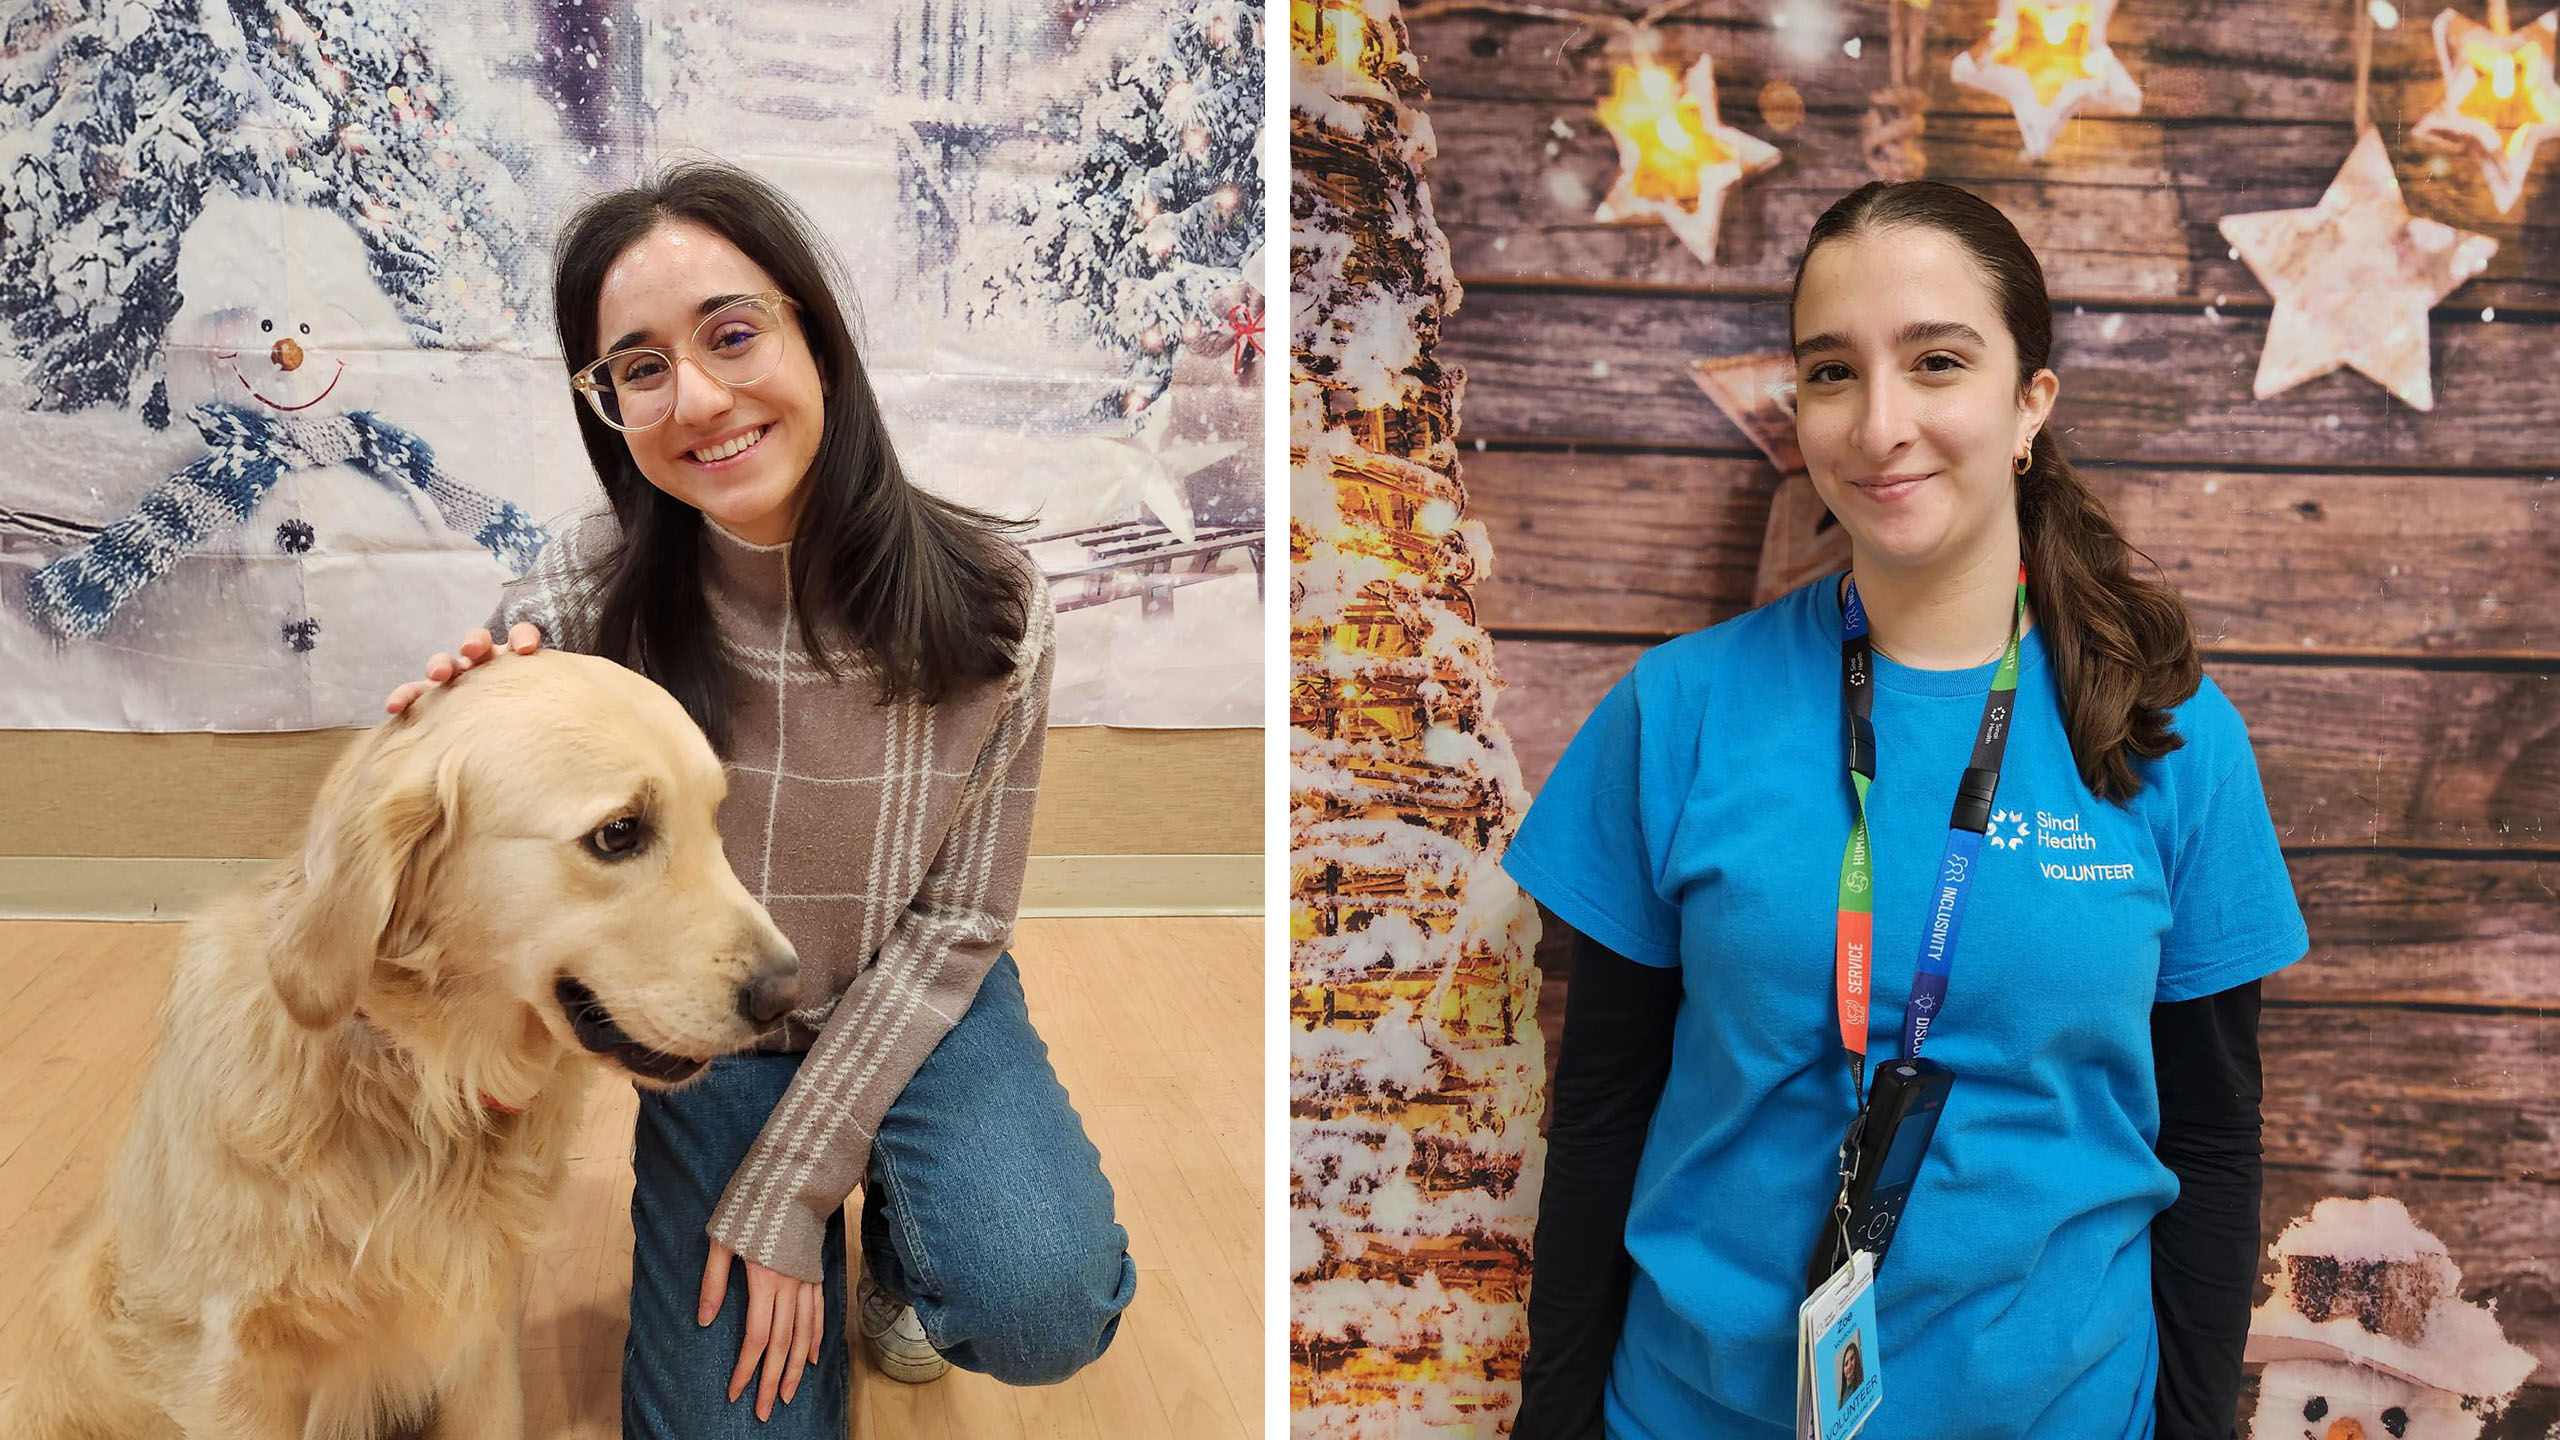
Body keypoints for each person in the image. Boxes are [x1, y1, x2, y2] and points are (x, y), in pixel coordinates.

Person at [1500, 180, 2306, 1440]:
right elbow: (1600, 1109)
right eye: (1832, 372)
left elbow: (2211, 1138)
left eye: (1936, 362)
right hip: (1693, 1413)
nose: (1880, 426)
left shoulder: (2170, 735)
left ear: (2030, 402)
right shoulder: (1677, 711)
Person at [386, 160, 1137, 1437]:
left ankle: (901, 1250)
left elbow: (960, 924)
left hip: (913, 996)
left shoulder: (997, 603)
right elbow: (470, 844)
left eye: (731, 335)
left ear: (815, 337)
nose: (698, 398)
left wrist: (793, 1187)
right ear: (608, 407)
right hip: (714, 1029)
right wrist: (438, 726)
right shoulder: (582, 593)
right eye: (639, 368)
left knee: (1039, 1297)